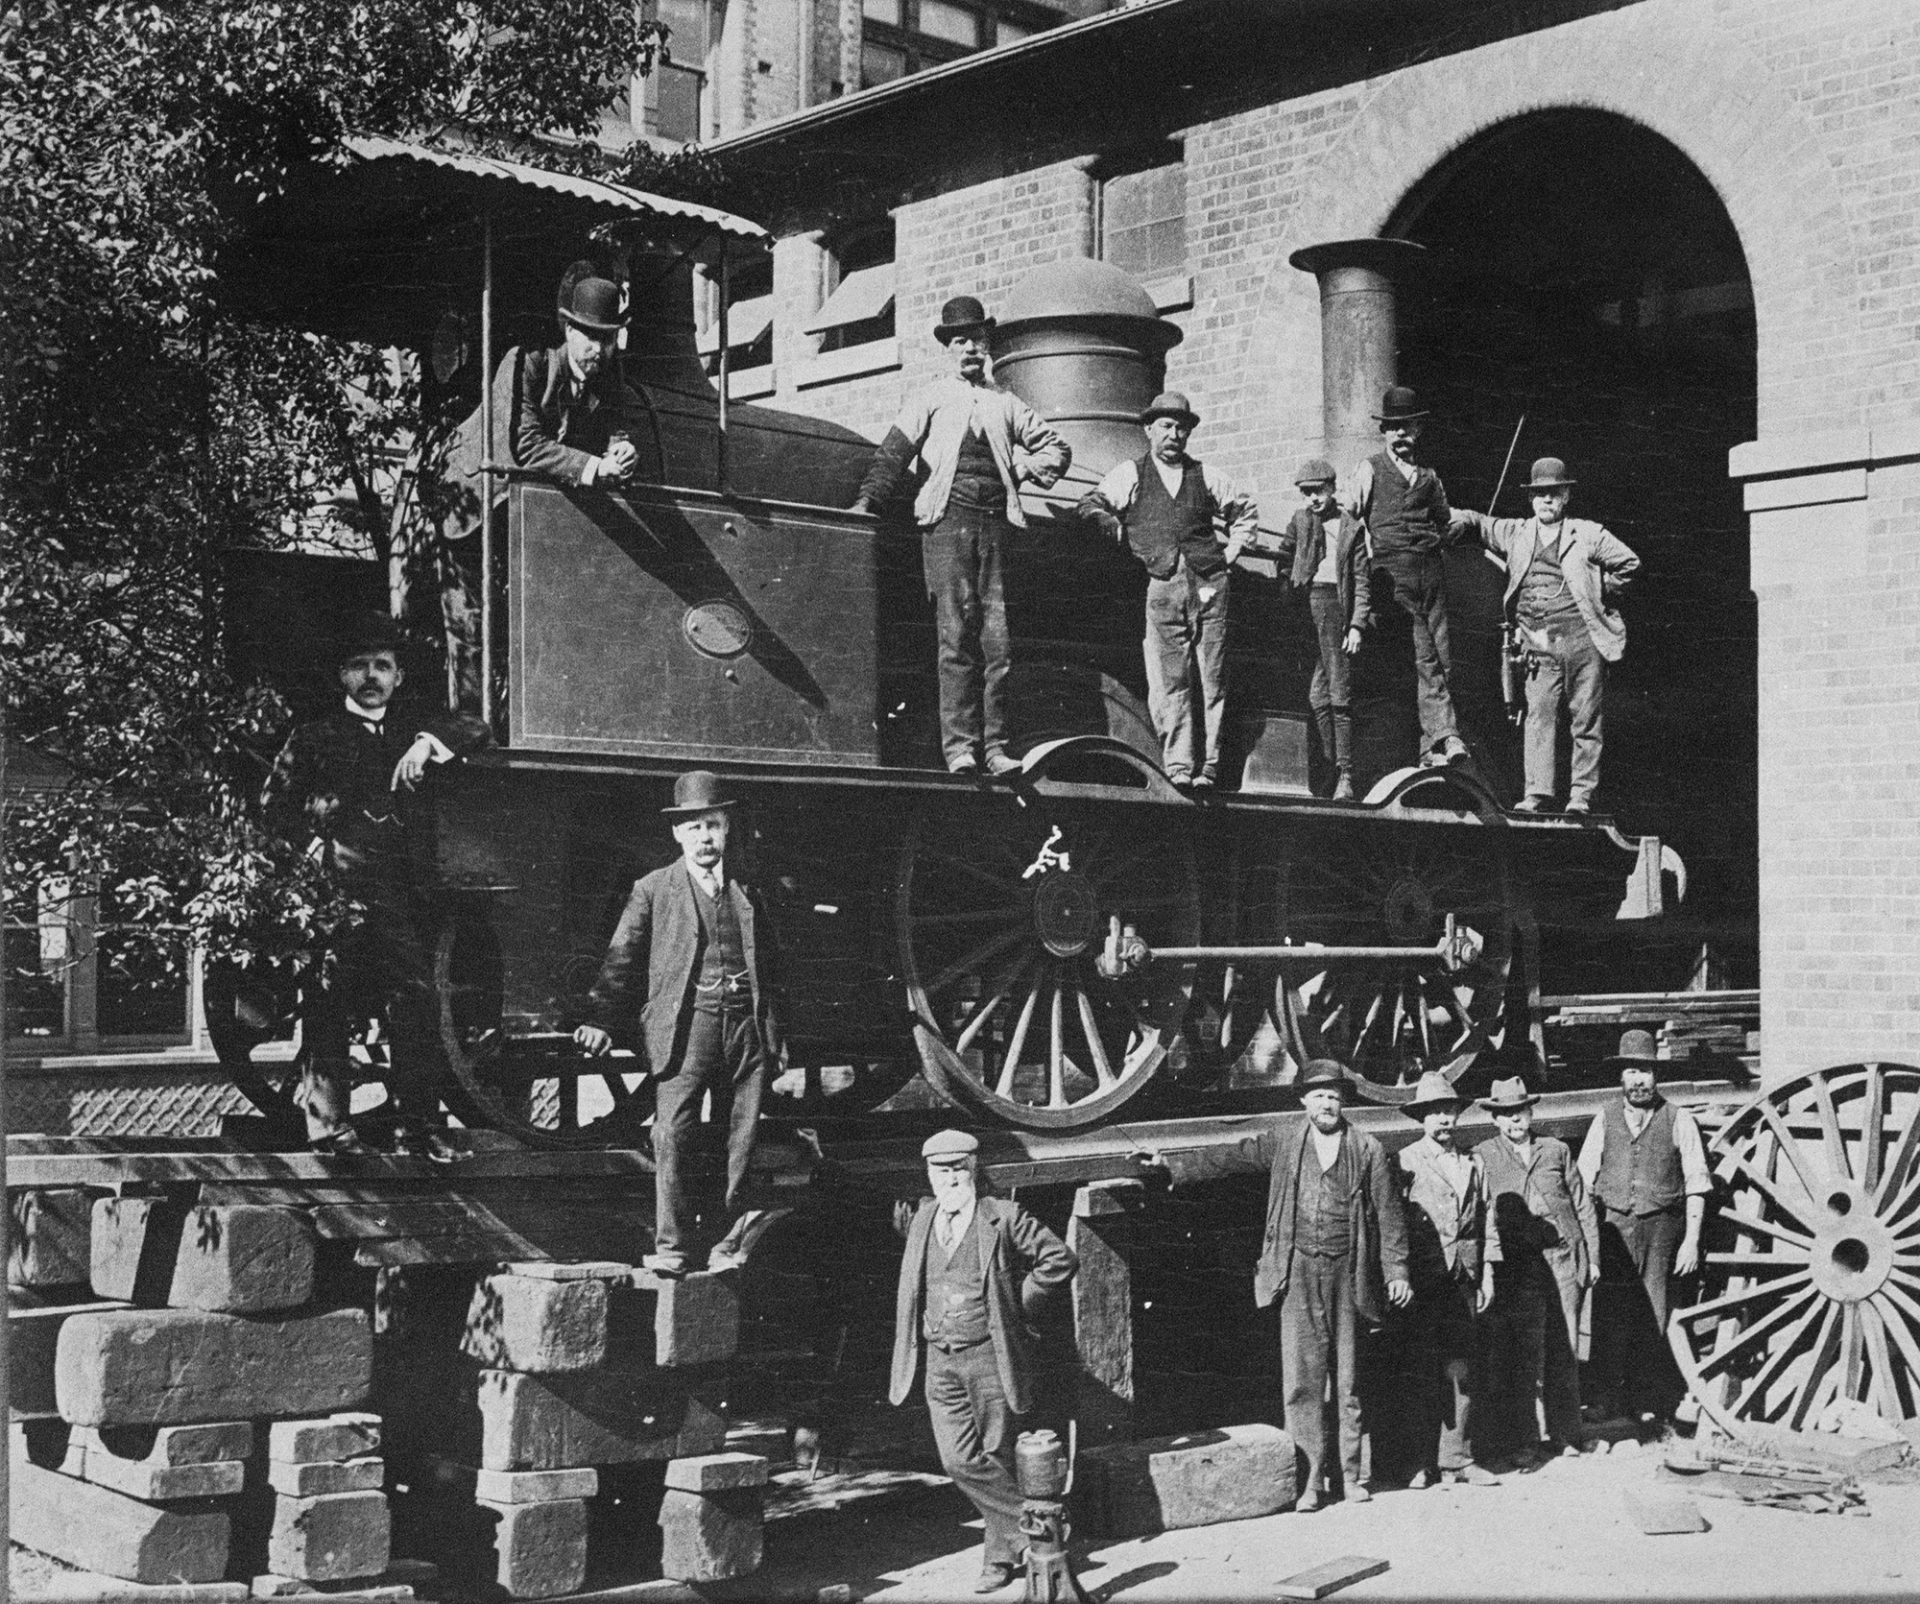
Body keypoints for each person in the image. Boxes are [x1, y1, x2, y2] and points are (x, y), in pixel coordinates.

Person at [261, 613, 486, 1156]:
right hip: (336, 894)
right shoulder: (314, 737)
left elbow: (477, 729)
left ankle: (419, 1129)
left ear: (397, 677)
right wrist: (310, 853)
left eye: (382, 666)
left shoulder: (413, 732)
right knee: (328, 1003)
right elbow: (272, 810)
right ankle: (330, 1130)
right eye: (359, 666)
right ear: (343, 676)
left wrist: (427, 744)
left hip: (401, 896)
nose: (370, 676)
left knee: (417, 1001)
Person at [574, 770, 785, 1276]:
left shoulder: (749, 888)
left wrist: (777, 1034)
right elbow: (622, 957)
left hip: (746, 1026)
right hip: (687, 1026)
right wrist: (601, 1018)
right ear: (676, 833)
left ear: (727, 828)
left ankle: (725, 1242)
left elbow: (775, 965)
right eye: (693, 828)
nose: (704, 837)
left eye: (712, 825)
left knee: (741, 1135)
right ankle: (671, 1245)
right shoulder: (653, 889)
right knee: (671, 1132)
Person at [851, 294, 1070, 777]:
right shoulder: (930, 398)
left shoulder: (1005, 403)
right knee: (954, 638)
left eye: (976, 340)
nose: (970, 349)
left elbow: (1057, 449)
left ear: (987, 346)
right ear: (948, 348)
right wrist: (867, 503)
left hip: (995, 527)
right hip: (947, 524)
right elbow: (892, 455)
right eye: (960, 342)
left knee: (998, 644)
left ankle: (996, 748)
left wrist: (1022, 468)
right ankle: (960, 749)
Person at [889, 1130, 1077, 1594]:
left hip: (988, 1357)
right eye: (941, 1171)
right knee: (957, 1460)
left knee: (996, 1454)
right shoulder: (921, 1218)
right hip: (939, 1360)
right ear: (928, 1174)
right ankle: (1039, 1528)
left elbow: (1058, 1260)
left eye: (959, 1169)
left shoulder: (1003, 1216)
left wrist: (1016, 1305)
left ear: (975, 1170)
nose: (950, 1179)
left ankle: (999, 1559)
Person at [1076, 392, 1258, 792]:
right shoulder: (1131, 473)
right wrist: (1118, 530)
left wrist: (1230, 553)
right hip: (1162, 584)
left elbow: (1244, 512)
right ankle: (1179, 764)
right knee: (1168, 676)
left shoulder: (1207, 475)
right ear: (1149, 430)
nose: (1174, 434)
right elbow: (1090, 504)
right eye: (1166, 426)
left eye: (1181, 428)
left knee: (1212, 675)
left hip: (1209, 585)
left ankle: (1209, 767)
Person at [1253, 1059, 1412, 1509]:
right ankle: (1308, 1483)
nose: (1326, 1104)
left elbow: (1389, 1215)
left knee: (1349, 1381)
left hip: (1348, 1272)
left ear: (1344, 1103)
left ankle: (1351, 1477)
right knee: (1302, 1382)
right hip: (1299, 1271)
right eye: (1319, 1095)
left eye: (1334, 1097)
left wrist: (1397, 1271)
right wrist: (1170, 1166)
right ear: (1304, 1100)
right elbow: (1233, 1155)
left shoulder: (1367, 1148)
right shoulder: (1285, 1142)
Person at [1451, 458, 1641, 814]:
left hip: (1582, 638)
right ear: (1530, 499)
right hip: (1538, 640)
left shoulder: (1586, 533)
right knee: (1538, 713)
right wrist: (1454, 518)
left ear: (1566, 496)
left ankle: (1581, 796)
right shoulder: (1516, 532)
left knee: (1585, 718)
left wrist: (1600, 589)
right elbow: (1478, 521)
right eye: (1539, 494)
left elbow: (1629, 564)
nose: (1546, 500)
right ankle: (1537, 793)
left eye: (1554, 493)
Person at [1575, 1030, 1712, 1421]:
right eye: (1632, 1071)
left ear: (1657, 1075)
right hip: (1613, 1231)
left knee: (1655, 1313)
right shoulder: (1604, 1119)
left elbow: (1697, 1184)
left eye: (1646, 1071)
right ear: (1621, 1076)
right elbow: (1582, 1182)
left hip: (1661, 1232)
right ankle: (1606, 1399)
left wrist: (1691, 1241)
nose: (1639, 1080)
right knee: (1609, 1313)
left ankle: (1649, 1402)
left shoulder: (1679, 1119)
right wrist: (1588, 1241)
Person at [1341, 385, 1469, 768]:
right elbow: (1348, 521)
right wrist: (1357, 585)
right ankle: (1446, 737)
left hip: (1432, 574)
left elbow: (1445, 521)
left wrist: (1460, 528)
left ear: (1417, 430)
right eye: (1393, 427)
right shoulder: (1369, 469)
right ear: (1384, 431)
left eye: (1407, 426)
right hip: (1393, 579)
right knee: (1425, 656)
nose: (1400, 433)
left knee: (1443, 658)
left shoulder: (1430, 477)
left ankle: (1431, 750)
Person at [1477, 1075, 1599, 1462]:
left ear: (1531, 1113)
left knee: (1565, 1349)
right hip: (1518, 1268)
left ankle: (1566, 1435)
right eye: (1506, 1114)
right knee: (1523, 1354)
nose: (1514, 1119)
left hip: (1561, 1258)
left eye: (1520, 1111)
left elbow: (1582, 1205)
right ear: (1495, 1119)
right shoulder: (1483, 1154)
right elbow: (1480, 1212)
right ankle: (1526, 1441)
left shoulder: (1556, 1150)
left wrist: (1592, 1257)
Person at [1395, 1071, 1499, 1488]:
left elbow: (1487, 1220)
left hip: (1464, 1278)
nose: (1443, 1119)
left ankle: (1458, 1458)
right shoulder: (1406, 1160)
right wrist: (1400, 1275)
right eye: (1434, 1113)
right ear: (1421, 1119)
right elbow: (1394, 1224)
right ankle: (1421, 1462)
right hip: (1425, 1279)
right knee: (1421, 1367)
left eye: (1449, 1111)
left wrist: (1487, 1273)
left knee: (1461, 1368)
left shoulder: (1473, 1162)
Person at [1279, 457, 1370, 799]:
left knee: (1338, 693)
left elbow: (1362, 581)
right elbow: (1284, 558)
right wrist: (1287, 590)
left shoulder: (1350, 527)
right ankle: (1329, 770)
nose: (1313, 498)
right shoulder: (1300, 521)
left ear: (1332, 488)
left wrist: (1356, 625)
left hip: (1335, 609)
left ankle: (1346, 775)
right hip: (1306, 609)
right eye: (1306, 492)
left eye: (1318, 491)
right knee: (1317, 696)